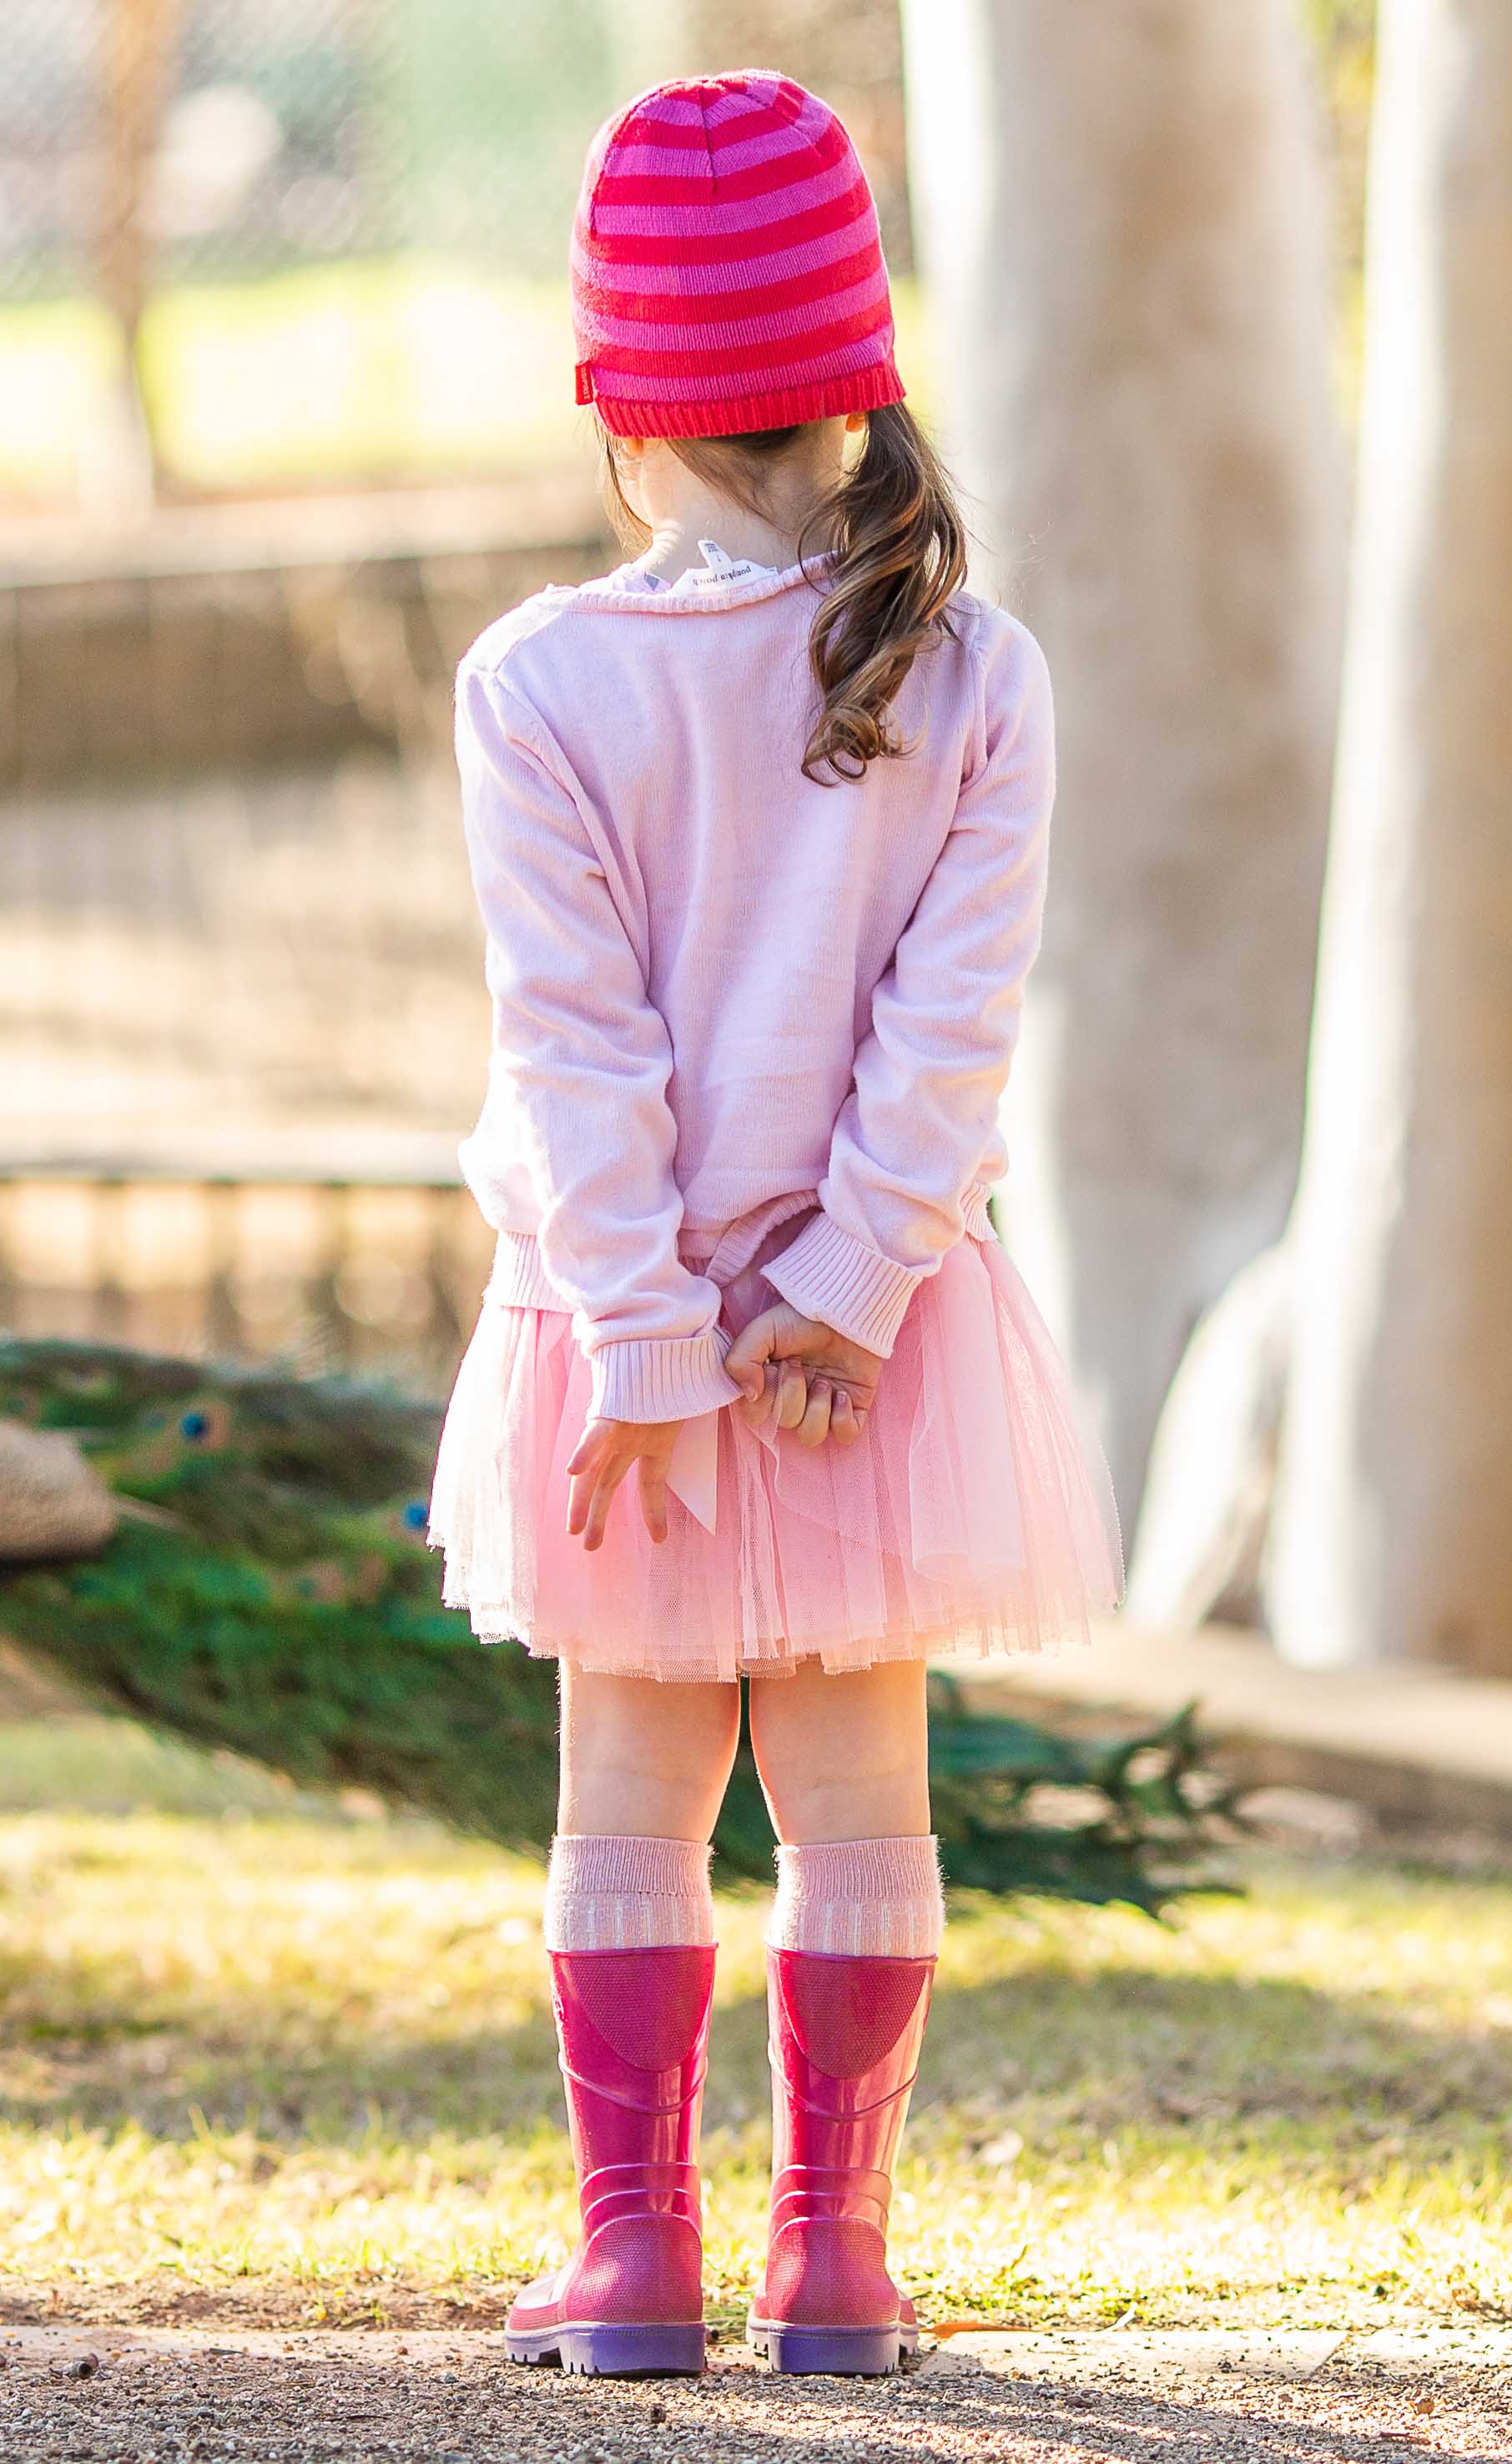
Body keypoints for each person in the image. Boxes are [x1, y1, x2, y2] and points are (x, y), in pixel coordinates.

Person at [421, 68, 1121, 2381]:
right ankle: (837, 2262)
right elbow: (953, 1032)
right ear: (856, 379)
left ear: (619, 408)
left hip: (614, 1337)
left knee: (626, 1800)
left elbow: (572, 1044)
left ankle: (630, 2261)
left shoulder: (537, 684)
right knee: (860, 1800)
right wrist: (840, 1289)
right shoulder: (976, 669)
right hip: (879, 1344)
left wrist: (641, 1343)